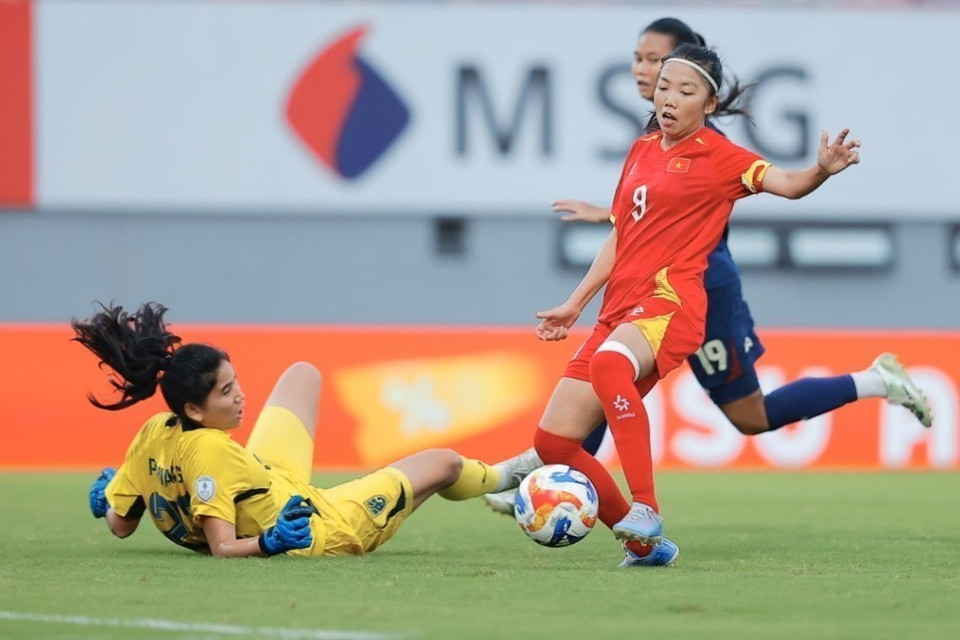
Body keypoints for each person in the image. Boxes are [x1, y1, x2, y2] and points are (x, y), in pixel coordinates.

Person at [485, 17, 931, 522]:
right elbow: (636, 224)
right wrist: (580, 290)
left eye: (659, 64)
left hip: (698, 293)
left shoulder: (715, 152)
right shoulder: (645, 146)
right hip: (635, 298)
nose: (648, 76)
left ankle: (875, 381)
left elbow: (777, 184)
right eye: (646, 65)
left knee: (745, 413)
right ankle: (560, 467)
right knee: (613, 377)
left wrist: (818, 173)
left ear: (706, 94)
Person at [78, 302, 526, 558]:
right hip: (317, 524)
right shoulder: (211, 454)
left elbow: (121, 526)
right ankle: (515, 475)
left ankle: (510, 477)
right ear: (194, 409)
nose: (240, 398)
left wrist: (107, 499)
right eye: (226, 392)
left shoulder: (154, 429)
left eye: (236, 383)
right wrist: (271, 542)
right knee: (443, 462)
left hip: (267, 478)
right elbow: (223, 548)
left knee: (303, 373)